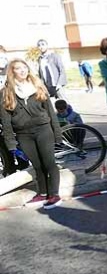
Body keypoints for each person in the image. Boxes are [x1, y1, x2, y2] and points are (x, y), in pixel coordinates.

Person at [0, 59, 62, 208]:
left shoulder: (38, 86)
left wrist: (57, 133)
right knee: (37, 165)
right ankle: (43, 193)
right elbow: (5, 121)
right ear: (12, 72)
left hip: (43, 129)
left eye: (24, 67)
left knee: (49, 163)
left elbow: (51, 112)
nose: (22, 70)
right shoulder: (5, 92)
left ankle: (54, 194)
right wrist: (11, 144)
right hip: (23, 134)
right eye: (18, 68)